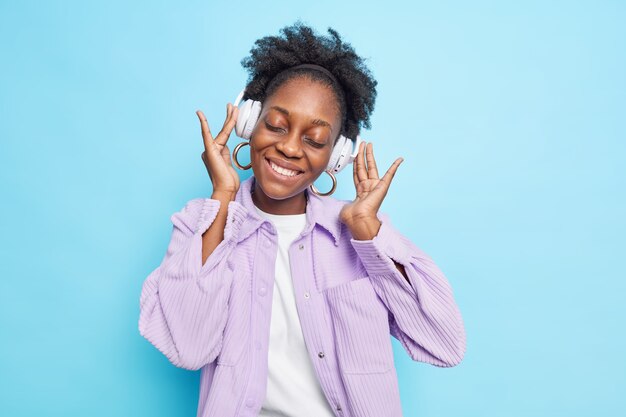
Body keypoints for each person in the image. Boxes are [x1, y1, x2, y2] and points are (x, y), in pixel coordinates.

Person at [138, 21, 466, 417]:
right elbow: (188, 348)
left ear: (338, 155)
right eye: (276, 126)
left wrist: (367, 231)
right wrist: (223, 197)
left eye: (314, 140)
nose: (291, 147)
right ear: (249, 122)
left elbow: (444, 344)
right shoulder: (199, 223)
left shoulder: (361, 236)